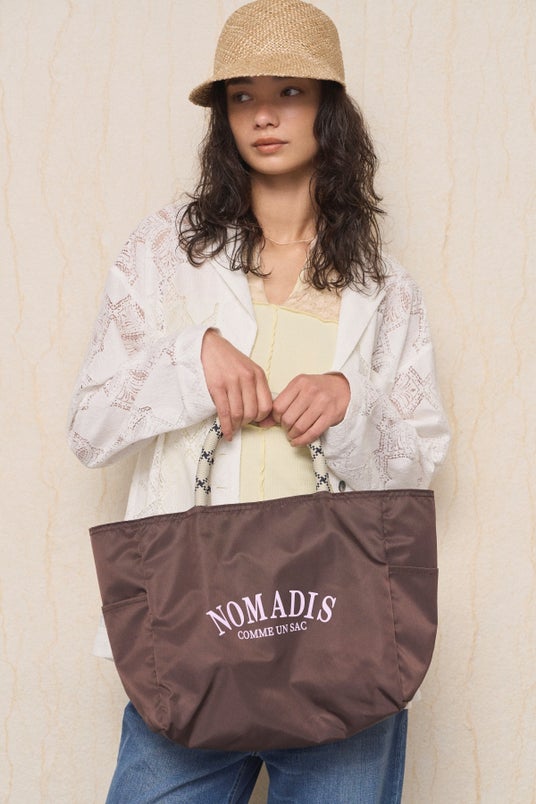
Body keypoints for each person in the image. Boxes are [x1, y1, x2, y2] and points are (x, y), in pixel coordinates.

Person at [68, 0, 450, 801]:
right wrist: (191, 358)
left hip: (342, 630)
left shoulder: (384, 285)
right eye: (242, 96)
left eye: (290, 93)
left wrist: (351, 402)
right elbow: (90, 427)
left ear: (328, 111)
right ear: (224, 117)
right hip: (195, 630)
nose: (264, 116)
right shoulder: (164, 253)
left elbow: (419, 460)